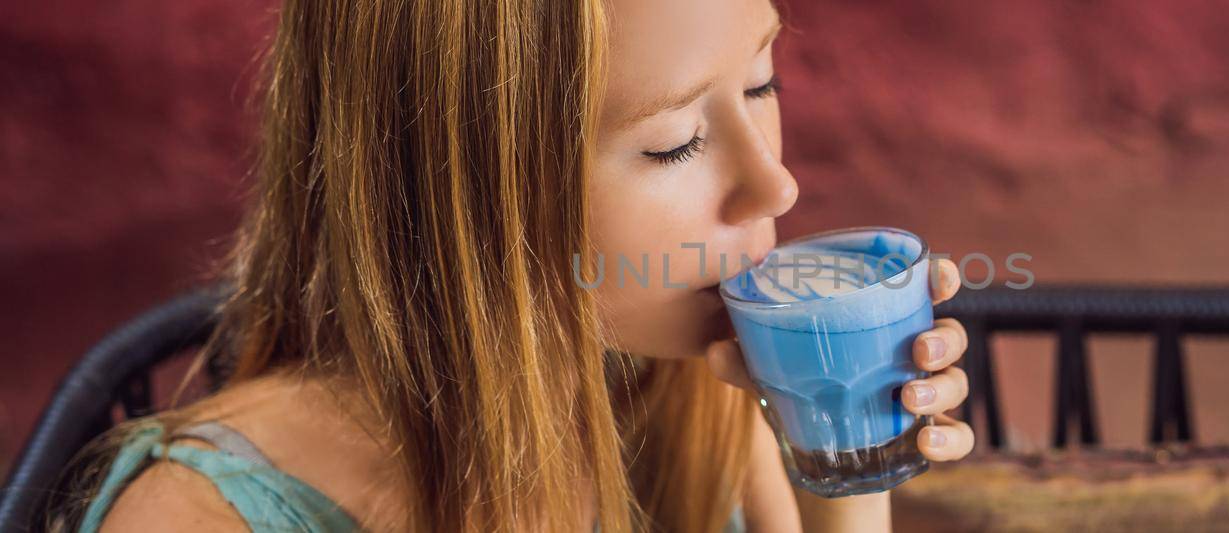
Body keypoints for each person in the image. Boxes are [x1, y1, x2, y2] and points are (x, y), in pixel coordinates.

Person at [64, 0, 974, 531]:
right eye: (673, 142)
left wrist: (847, 465)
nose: (774, 185)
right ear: (457, 197)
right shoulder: (196, 518)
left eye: (762, 82)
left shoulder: (688, 394)